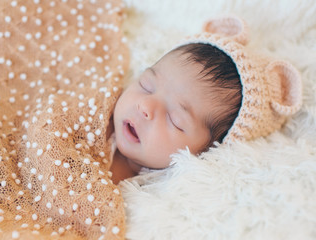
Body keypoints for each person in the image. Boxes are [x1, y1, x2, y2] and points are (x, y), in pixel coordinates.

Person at [110, 16, 303, 184]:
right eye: (146, 85)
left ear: (206, 153)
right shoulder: (96, 102)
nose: (145, 105)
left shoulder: (155, 198)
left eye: (174, 119)